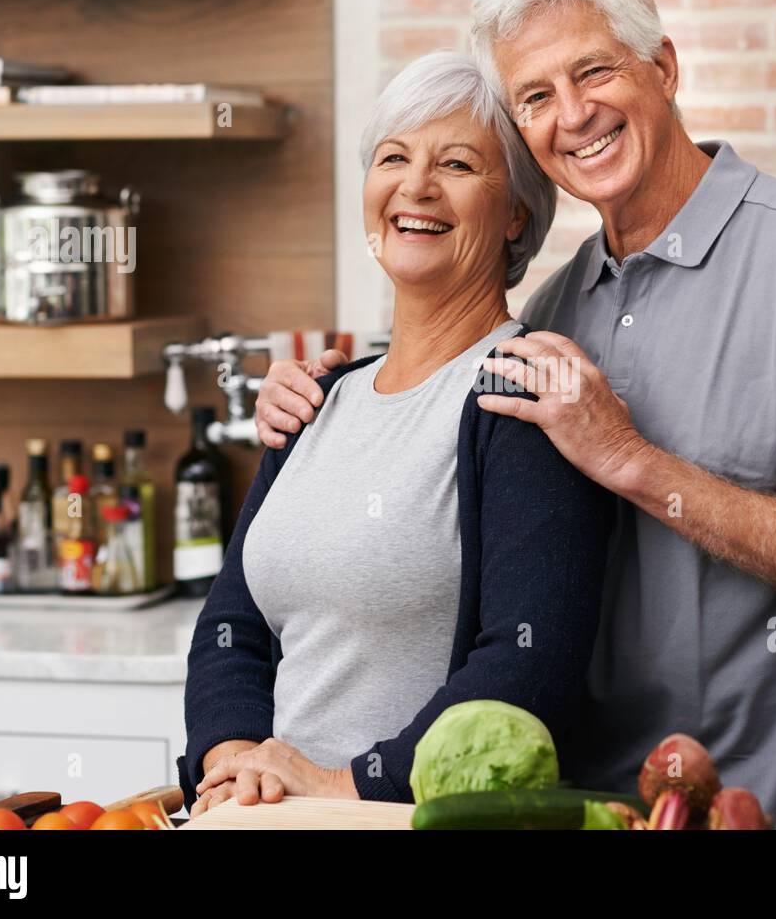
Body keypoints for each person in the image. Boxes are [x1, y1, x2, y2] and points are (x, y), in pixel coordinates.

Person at [256, 0, 776, 829]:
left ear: (665, 68)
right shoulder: (558, 306)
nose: (572, 115)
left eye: (593, 71)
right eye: (535, 96)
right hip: (606, 807)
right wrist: (323, 397)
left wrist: (632, 460)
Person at [181, 50, 614, 816]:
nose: (416, 187)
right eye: (393, 158)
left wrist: (347, 784)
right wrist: (236, 764)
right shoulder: (319, 396)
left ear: (515, 210)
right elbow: (232, 626)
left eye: (456, 164)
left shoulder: (519, 401)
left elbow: (527, 667)